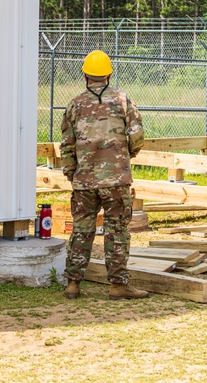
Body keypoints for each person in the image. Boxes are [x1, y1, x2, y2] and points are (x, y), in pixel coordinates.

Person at [60, 50, 148, 300]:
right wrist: (126, 156)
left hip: (84, 181)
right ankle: (118, 286)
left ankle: (73, 284)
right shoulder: (122, 100)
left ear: (85, 76)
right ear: (109, 75)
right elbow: (137, 135)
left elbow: (67, 144)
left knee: (81, 230)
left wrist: (72, 172)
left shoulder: (75, 104)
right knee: (116, 231)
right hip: (116, 180)